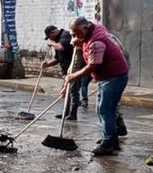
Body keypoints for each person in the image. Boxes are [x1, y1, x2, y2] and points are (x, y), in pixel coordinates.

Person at [64, 17, 130, 156]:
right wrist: (79, 41)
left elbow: (92, 66)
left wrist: (73, 76)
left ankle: (108, 143)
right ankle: (111, 138)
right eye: (72, 35)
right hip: (106, 76)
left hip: (114, 76)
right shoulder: (94, 29)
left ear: (85, 29)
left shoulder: (96, 42)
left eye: (76, 34)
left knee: (106, 110)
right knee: (102, 109)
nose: (73, 39)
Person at [40, 25, 79, 119]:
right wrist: (47, 65)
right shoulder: (57, 41)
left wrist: (52, 44)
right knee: (66, 92)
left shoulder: (65, 35)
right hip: (66, 70)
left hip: (74, 69)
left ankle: (73, 114)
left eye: (50, 37)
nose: (50, 39)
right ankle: (66, 112)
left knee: (73, 91)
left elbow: (62, 47)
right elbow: (57, 59)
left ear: (53, 32)